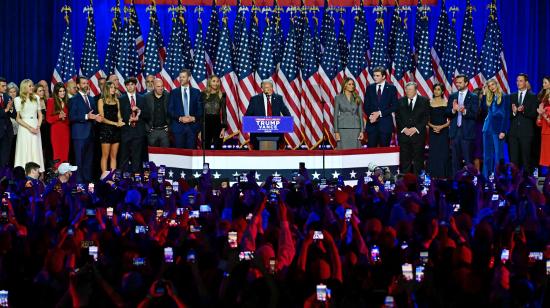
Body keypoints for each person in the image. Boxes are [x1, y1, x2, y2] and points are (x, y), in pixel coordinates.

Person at [69, 76, 102, 183]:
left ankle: (88, 182)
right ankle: (79, 184)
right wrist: (86, 117)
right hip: (79, 135)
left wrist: (97, 118)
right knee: (79, 160)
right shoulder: (73, 99)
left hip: (91, 134)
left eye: (87, 83)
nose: (86, 85)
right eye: (83, 83)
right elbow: (72, 117)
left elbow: (94, 114)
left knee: (89, 160)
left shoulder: (91, 99)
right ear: (78, 85)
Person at [245, 79, 291, 150]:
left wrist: (287, 121)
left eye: (270, 87)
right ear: (262, 88)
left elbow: (287, 114)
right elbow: (247, 116)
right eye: (266, 87)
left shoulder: (278, 98)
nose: (269, 89)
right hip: (258, 135)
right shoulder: (255, 100)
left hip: (276, 134)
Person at [447, 75, 479, 175]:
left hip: (467, 133)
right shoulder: (452, 96)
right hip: (455, 133)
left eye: (460, 82)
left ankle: (469, 184)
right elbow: (447, 113)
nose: (457, 84)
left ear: (466, 83)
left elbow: (475, 114)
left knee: (468, 161)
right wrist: (453, 110)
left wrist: (463, 110)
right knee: (455, 161)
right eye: (457, 82)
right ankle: (455, 184)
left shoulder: (473, 97)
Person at [395, 82, 429, 175]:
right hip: (404, 136)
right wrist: (404, 129)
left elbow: (426, 117)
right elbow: (397, 117)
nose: (408, 91)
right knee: (405, 159)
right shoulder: (400, 101)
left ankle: (418, 181)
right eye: (406, 89)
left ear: (415, 90)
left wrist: (416, 128)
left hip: (418, 135)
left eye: (410, 89)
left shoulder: (424, 101)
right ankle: (405, 182)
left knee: (418, 160)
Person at [509, 73, 538, 174]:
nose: (518, 83)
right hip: (513, 134)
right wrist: (514, 112)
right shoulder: (511, 96)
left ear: (526, 82)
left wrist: (524, 111)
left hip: (526, 133)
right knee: (514, 161)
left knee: (526, 160)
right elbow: (508, 115)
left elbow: (534, 114)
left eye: (521, 81)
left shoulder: (533, 96)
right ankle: (514, 184)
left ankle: (527, 185)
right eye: (517, 81)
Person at [481, 79, 510, 178]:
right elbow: (484, 110)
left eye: (493, 84)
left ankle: (499, 177)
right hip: (487, 128)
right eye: (489, 86)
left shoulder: (504, 96)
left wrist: (503, 130)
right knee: (486, 154)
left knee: (498, 154)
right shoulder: (490, 97)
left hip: (498, 129)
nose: (491, 87)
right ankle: (485, 177)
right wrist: (484, 95)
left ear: (497, 84)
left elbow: (506, 115)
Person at [119, 77, 149, 173]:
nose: (130, 86)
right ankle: (123, 181)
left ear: (135, 85)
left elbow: (147, 115)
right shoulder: (120, 99)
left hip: (138, 132)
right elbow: (119, 116)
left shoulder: (142, 98)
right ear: (126, 86)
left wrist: (138, 116)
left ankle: (136, 180)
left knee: (137, 158)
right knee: (124, 157)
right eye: (128, 85)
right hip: (125, 132)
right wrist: (128, 120)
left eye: (132, 84)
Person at [14, 79, 44, 172]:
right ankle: (24, 172)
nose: (32, 87)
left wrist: (38, 127)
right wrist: (30, 128)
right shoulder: (18, 99)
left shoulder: (36, 98)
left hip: (36, 126)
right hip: (24, 128)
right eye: (30, 86)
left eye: (32, 85)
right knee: (25, 149)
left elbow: (40, 115)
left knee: (35, 149)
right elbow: (18, 118)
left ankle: (37, 172)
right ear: (24, 87)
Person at [363, 66, 398, 147]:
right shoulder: (369, 88)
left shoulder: (391, 88)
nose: (375, 77)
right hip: (372, 125)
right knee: (371, 151)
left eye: (377, 75)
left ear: (383, 76)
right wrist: (372, 116)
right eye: (374, 75)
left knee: (385, 151)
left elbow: (395, 106)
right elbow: (366, 106)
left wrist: (379, 113)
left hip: (385, 125)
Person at [168, 69, 203, 149]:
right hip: (178, 128)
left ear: (189, 78)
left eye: (183, 77)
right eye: (180, 77)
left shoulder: (196, 92)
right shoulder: (174, 92)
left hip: (192, 128)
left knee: (191, 154)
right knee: (179, 155)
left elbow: (200, 109)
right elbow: (170, 110)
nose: (181, 79)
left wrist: (193, 118)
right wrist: (180, 118)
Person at [98, 81, 123, 173]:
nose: (113, 89)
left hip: (116, 131)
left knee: (114, 156)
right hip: (106, 130)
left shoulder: (117, 100)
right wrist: (115, 123)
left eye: (114, 87)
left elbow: (119, 115)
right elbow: (102, 118)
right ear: (107, 89)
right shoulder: (101, 101)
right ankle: (104, 177)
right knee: (105, 156)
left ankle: (112, 177)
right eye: (111, 87)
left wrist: (120, 121)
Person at [334, 77, 364, 149]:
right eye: (349, 84)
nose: (352, 86)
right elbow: (335, 115)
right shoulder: (338, 97)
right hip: (342, 128)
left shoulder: (357, 98)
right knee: (343, 150)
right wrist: (336, 131)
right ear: (345, 85)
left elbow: (360, 115)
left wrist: (362, 131)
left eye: (353, 84)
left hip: (355, 127)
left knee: (355, 151)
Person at [427, 84, 450, 178]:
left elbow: (450, 120)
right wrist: (433, 127)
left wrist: (441, 127)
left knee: (443, 152)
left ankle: (443, 175)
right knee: (434, 152)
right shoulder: (428, 103)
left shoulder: (447, 102)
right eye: (435, 89)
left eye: (438, 89)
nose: (436, 91)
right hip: (433, 131)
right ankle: (433, 175)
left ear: (443, 91)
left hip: (444, 131)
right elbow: (425, 119)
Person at [46, 83, 70, 167]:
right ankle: (57, 175)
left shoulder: (67, 101)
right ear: (56, 92)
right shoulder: (51, 101)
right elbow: (48, 119)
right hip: (56, 130)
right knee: (57, 153)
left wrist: (65, 119)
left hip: (65, 130)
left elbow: (69, 118)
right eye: (60, 91)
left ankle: (65, 176)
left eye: (64, 91)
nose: (62, 93)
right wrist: (58, 116)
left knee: (65, 153)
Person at [201, 74, 226, 150]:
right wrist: (199, 129)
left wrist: (223, 129)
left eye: (217, 81)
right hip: (205, 125)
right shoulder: (203, 94)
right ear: (209, 82)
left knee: (218, 148)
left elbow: (224, 113)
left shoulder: (222, 95)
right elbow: (201, 112)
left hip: (217, 125)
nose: (216, 83)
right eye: (214, 81)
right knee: (206, 148)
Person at [144, 78, 170, 147]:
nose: (161, 88)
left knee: (165, 154)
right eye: (158, 86)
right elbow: (143, 113)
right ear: (154, 87)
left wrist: (169, 126)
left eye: (162, 86)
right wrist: (148, 128)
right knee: (152, 155)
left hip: (164, 131)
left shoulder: (168, 96)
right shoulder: (146, 97)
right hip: (152, 131)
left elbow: (172, 112)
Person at [36, 82, 52, 166]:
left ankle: (47, 169)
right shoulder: (34, 103)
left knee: (47, 150)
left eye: (42, 90)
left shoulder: (47, 101)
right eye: (40, 91)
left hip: (47, 128)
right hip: (39, 128)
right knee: (40, 150)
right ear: (35, 92)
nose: (42, 92)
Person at [0, 77, 15, 169]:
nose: (5, 88)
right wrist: (6, 109)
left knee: (5, 159)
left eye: (5, 85)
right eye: (3, 86)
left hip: (7, 133)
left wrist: (11, 108)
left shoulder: (7, 97)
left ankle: (3, 179)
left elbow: (13, 115)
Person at [536, 76, 550, 172]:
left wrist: (543, 114)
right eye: (543, 82)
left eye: (545, 82)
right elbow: (539, 123)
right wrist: (540, 116)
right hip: (544, 133)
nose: (543, 84)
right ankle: (545, 184)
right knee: (546, 161)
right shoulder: (543, 99)